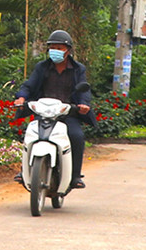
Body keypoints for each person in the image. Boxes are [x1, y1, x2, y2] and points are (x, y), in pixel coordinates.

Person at [12, 29, 95, 189]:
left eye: (59, 47)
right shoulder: (42, 67)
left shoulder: (78, 69)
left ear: (68, 50)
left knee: (76, 136)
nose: (55, 51)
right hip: (43, 112)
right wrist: (21, 97)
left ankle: (75, 176)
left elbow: (84, 91)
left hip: (67, 112)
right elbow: (28, 86)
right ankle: (24, 171)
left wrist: (83, 105)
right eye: (52, 47)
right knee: (30, 134)